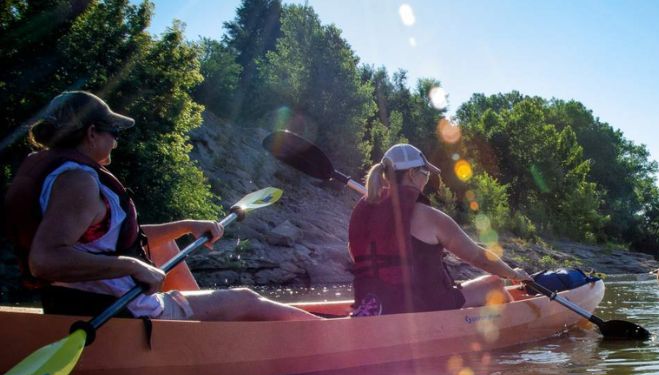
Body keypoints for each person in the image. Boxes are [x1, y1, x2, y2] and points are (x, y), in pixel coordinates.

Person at [3, 91, 317, 321]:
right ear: (91, 133)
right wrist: (132, 266)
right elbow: (43, 261)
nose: (115, 141)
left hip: (73, 302)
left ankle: (201, 324)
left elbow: (106, 239)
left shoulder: (50, 174)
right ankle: (327, 334)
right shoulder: (79, 181)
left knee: (164, 246)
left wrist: (186, 226)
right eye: (112, 133)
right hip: (118, 311)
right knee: (246, 299)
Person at [348, 143, 531, 316]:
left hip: (372, 304)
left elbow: (354, 255)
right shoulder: (429, 216)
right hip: (424, 307)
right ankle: (514, 334)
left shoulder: (363, 213)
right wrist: (513, 274)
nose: (426, 181)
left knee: (462, 287)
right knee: (495, 284)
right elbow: (479, 258)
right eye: (425, 174)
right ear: (412, 173)